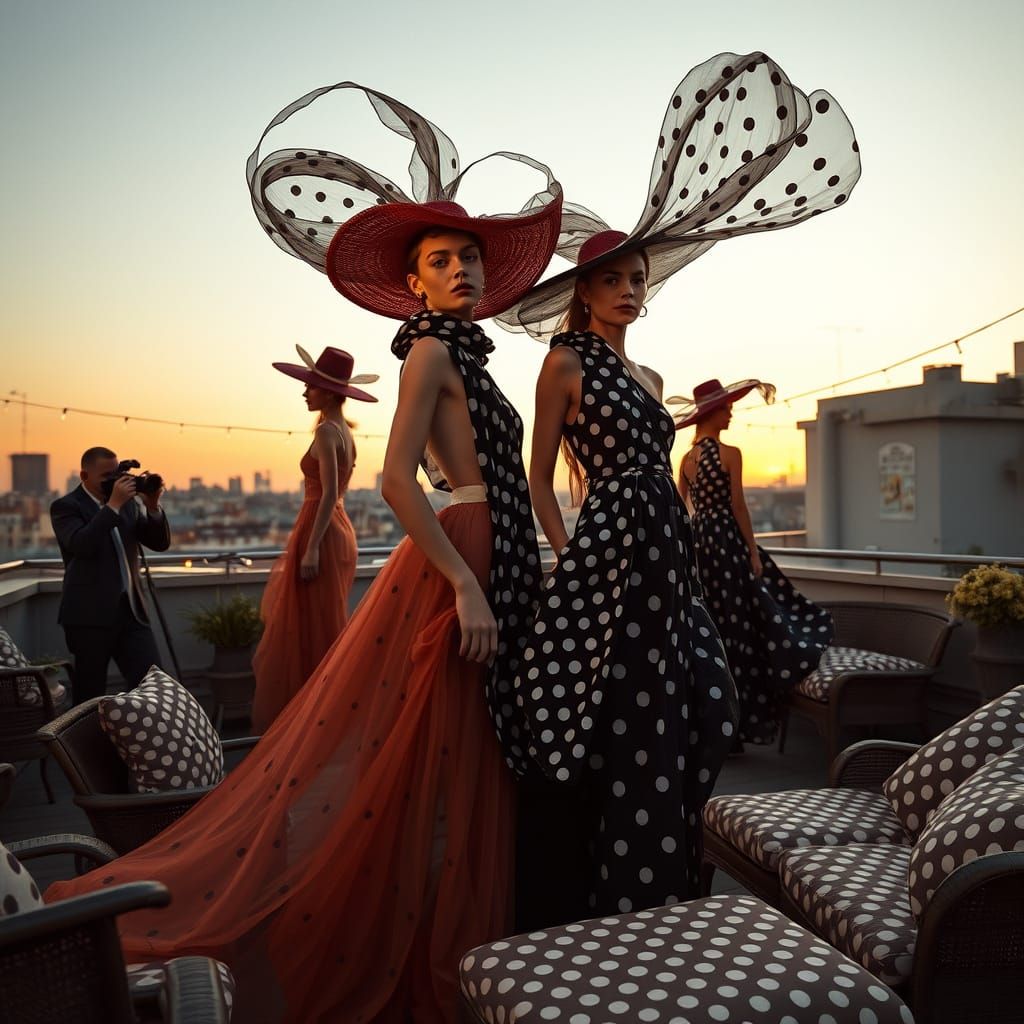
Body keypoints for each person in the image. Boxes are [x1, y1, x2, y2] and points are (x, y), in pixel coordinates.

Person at [48, 82, 562, 1024]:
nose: (459, 271)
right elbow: (398, 484)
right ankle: (422, 947)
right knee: (431, 759)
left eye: (468, 260)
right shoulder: (429, 356)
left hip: (501, 553)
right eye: (440, 260)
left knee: (474, 753)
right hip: (464, 560)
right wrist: (466, 588)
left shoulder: (469, 353)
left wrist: (526, 559)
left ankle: (477, 943)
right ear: (413, 283)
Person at [496, 49, 862, 921]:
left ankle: (663, 861)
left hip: (668, 552)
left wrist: (685, 552)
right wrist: (567, 550)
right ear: (580, 293)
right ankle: (631, 886)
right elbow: (537, 473)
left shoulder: (653, 378)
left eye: (635, 282)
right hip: (607, 554)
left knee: (705, 699)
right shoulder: (563, 361)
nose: (627, 292)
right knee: (632, 719)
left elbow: (660, 476)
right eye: (611, 281)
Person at [675, 378, 833, 745]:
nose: (731, 413)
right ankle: (742, 721)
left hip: (700, 545)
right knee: (740, 628)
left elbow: (681, 510)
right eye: (727, 408)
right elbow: (739, 506)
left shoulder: (685, 459)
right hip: (727, 543)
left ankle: (713, 725)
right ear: (712, 412)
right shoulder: (730, 453)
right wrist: (751, 550)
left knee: (711, 631)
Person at [250, 345, 377, 732]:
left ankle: (313, 721)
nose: (305, 393)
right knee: (322, 622)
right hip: (335, 528)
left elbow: (326, 494)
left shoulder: (326, 430)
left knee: (312, 628)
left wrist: (310, 549)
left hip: (321, 529)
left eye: (311, 387)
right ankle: (322, 716)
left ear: (329, 392)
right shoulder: (343, 432)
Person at [49, 446, 170, 702]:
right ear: (84, 476)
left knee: (153, 686)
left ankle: (149, 740)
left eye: (116, 474)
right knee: (90, 693)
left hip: (132, 612)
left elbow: (158, 543)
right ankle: (86, 743)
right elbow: (81, 545)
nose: (113, 481)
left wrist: (152, 507)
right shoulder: (65, 507)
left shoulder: (127, 505)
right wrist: (112, 506)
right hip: (89, 617)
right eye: (106, 477)